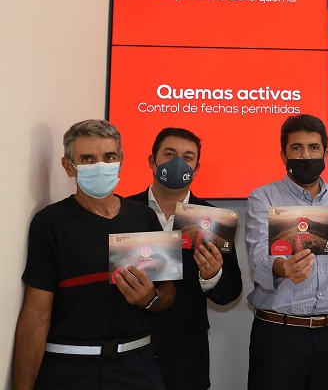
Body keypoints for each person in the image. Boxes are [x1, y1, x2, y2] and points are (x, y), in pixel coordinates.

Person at [12, 119, 176, 390]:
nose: (101, 165)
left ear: (120, 161)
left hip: (137, 366)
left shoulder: (144, 217)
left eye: (109, 157)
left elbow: (168, 292)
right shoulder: (50, 223)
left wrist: (150, 299)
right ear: (68, 167)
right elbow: (36, 315)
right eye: (87, 159)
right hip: (68, 370)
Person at [245, 114, 328, 390]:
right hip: (279, 334)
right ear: (283, 155)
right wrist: (282, 268)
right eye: (296, 147)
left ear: (325, 153)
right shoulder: (263, 197)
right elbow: (258, 256)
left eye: (313, 147)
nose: (306, 155)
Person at [128, 127, 243, 390]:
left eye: (187, 157)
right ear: (152, 161)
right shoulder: (123, 211)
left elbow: (231, 291)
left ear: (196, 168)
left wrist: (212, 276)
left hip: (187, 353)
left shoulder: (214, 219)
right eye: (170, 154)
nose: (178, 162)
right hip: (130, 351)